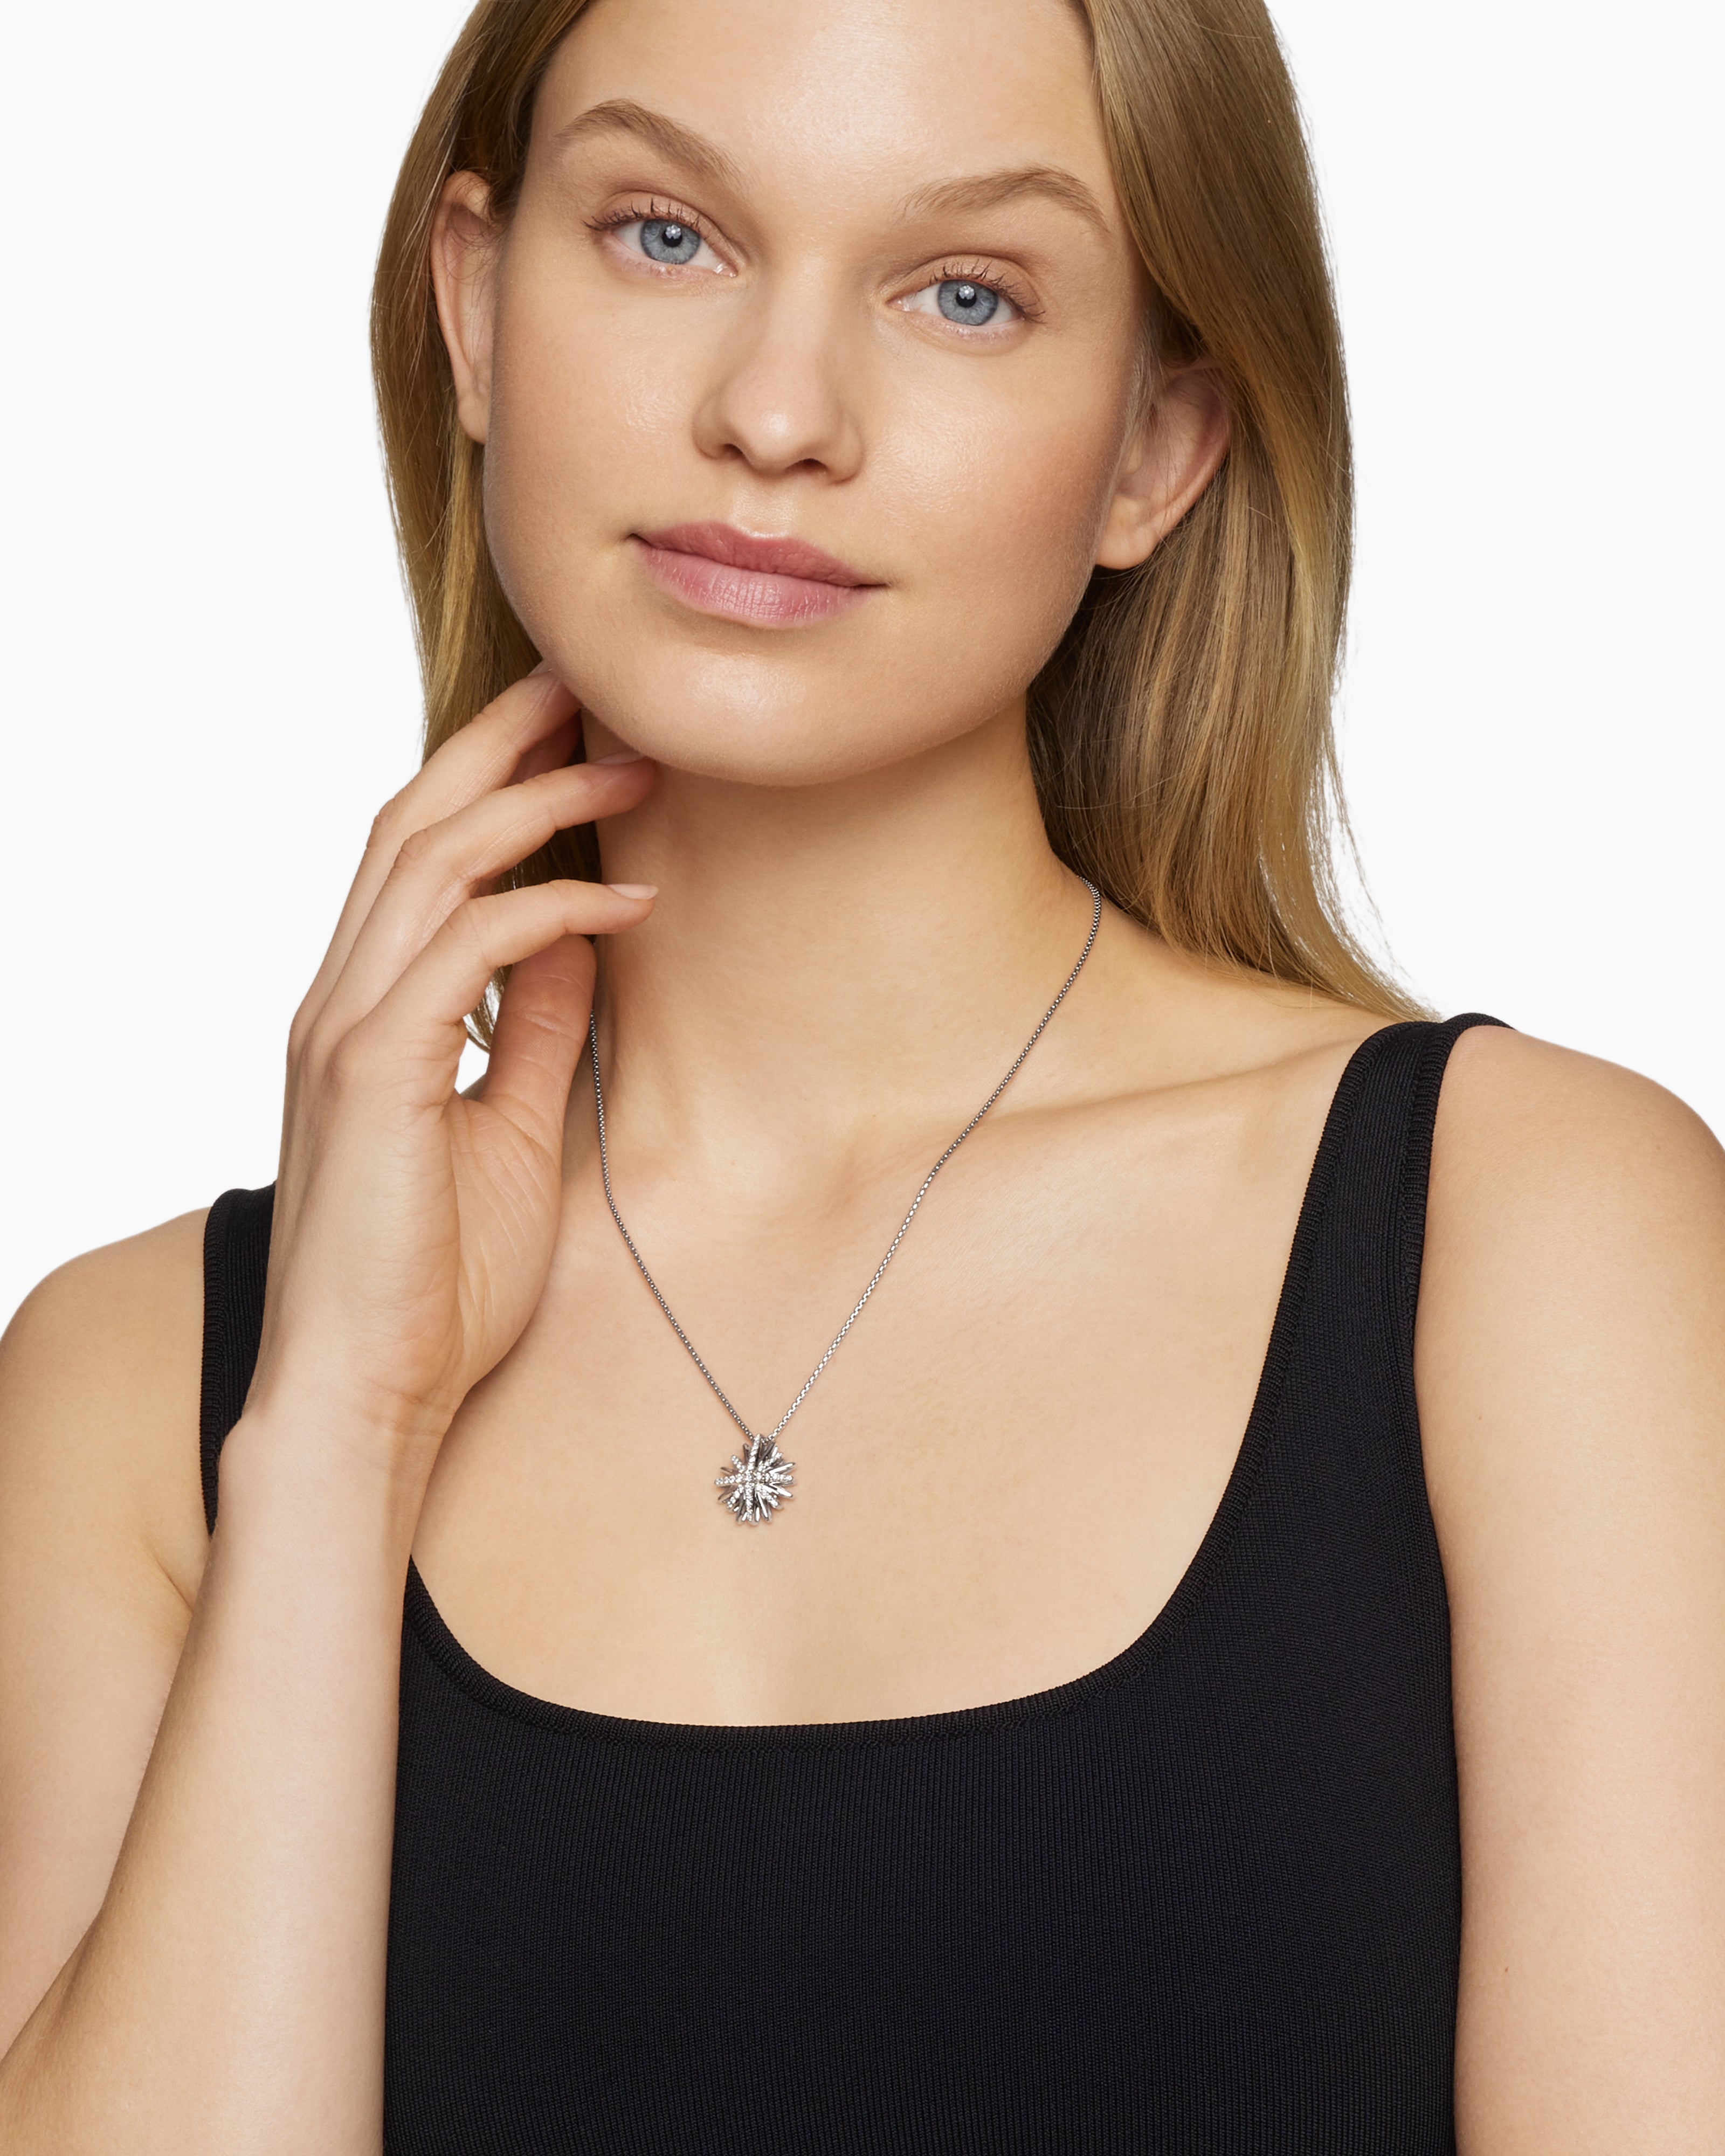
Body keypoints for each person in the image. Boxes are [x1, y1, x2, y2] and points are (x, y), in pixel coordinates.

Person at [2, 0, 1721, 2146]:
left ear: (1153, 449)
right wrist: (343, 1424)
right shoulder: (137, 1387)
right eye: (664, 235)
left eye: (965, 291)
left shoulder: (1529, 1239)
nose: (777, 412)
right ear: (473, 306)